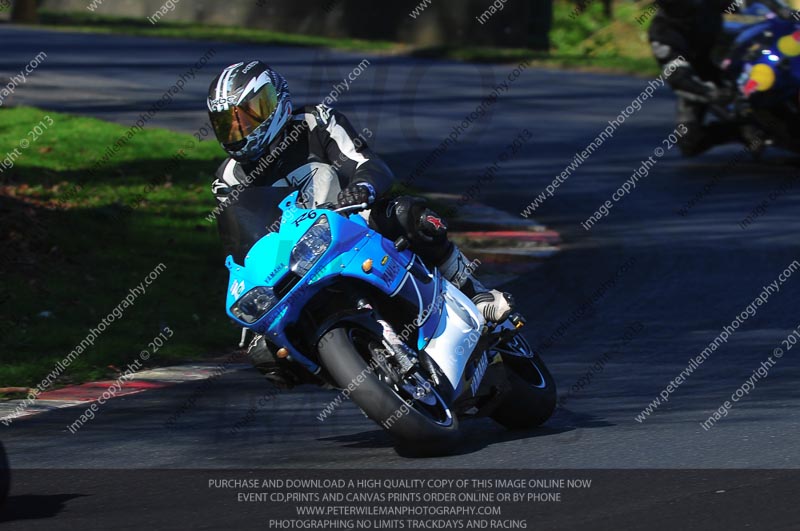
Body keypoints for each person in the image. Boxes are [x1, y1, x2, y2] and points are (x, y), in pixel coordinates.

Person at [207, 61, 514, 386]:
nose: (240, 130)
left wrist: (362, 188)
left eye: (250, 114)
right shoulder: (227, 178)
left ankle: (474, 291)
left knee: (408, 215)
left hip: (350, 221)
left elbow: (365, 161)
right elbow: (240, 243)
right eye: (230, 123)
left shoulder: (315, 122)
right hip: (293, 259)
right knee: (266, 353)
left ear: (276, 100)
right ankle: (346, 366)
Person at [648, 0, 797, 156]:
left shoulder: (704, 4)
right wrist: (710, 93)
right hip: (700, 81)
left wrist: (784, 11)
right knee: (689, 141)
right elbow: (677, 77)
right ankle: (741, 129)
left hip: (733, 63)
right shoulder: (661, 32)